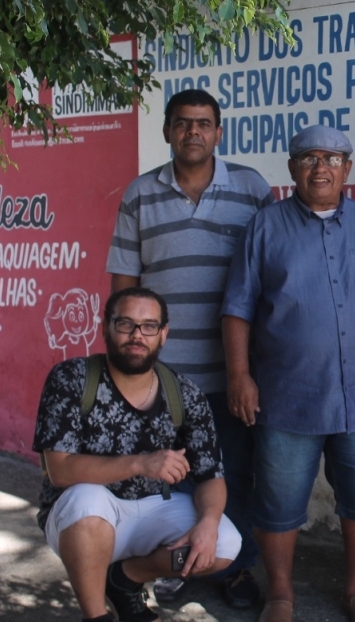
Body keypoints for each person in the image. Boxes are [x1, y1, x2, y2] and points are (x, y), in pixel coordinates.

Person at [106, 88, 273, 608]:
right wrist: (126, 372)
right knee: (168, 479)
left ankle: (236, 568)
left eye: (203, 123)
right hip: (165, 381)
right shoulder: (140, 194)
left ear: (219, 132)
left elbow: (271, 276)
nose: (193, 132)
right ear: (168, 132)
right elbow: (123, 291)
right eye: (183, 123)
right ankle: (173, 566)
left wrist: (252, 369)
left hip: (232, 374)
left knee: (234, 474)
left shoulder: (251, 189)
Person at [221, 125, 355, 622]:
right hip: (286, 396)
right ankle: (280, 594)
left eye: (332, 158)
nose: (321, 168)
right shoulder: (265, 226)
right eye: (309, 158)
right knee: (278, 503)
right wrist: (239, 376)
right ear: (292, 168)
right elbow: (238, 308)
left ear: (348, 170)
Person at [32, 286, 241, 622]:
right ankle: (96, 616)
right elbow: (61, 470)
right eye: (126, 324)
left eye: (148, 326)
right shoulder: (72, 378)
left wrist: (208, 522)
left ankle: (127, 578)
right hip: (80, 519)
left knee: (223, 544)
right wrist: (141, 463)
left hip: (150, 510)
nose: (137, 335)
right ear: (106, 328)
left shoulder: (184, 393)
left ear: (163, 334)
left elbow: (210, 476)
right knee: (88, 501)